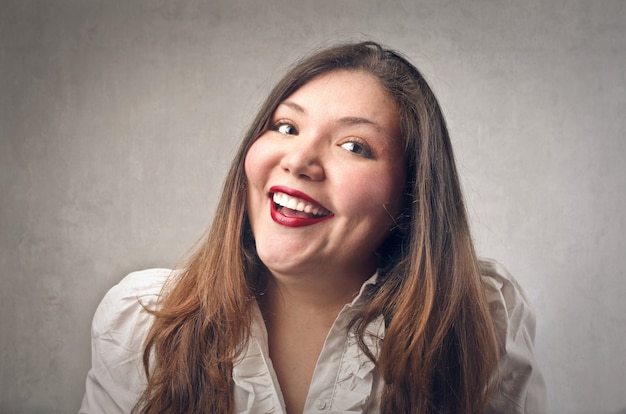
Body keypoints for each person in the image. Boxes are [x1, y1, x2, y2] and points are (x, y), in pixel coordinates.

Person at [79, 41, 546, 413]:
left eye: (354, 146)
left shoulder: (481, 316)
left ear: (412, 194)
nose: (299, 160)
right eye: (286, 127)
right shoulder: (141, 322)